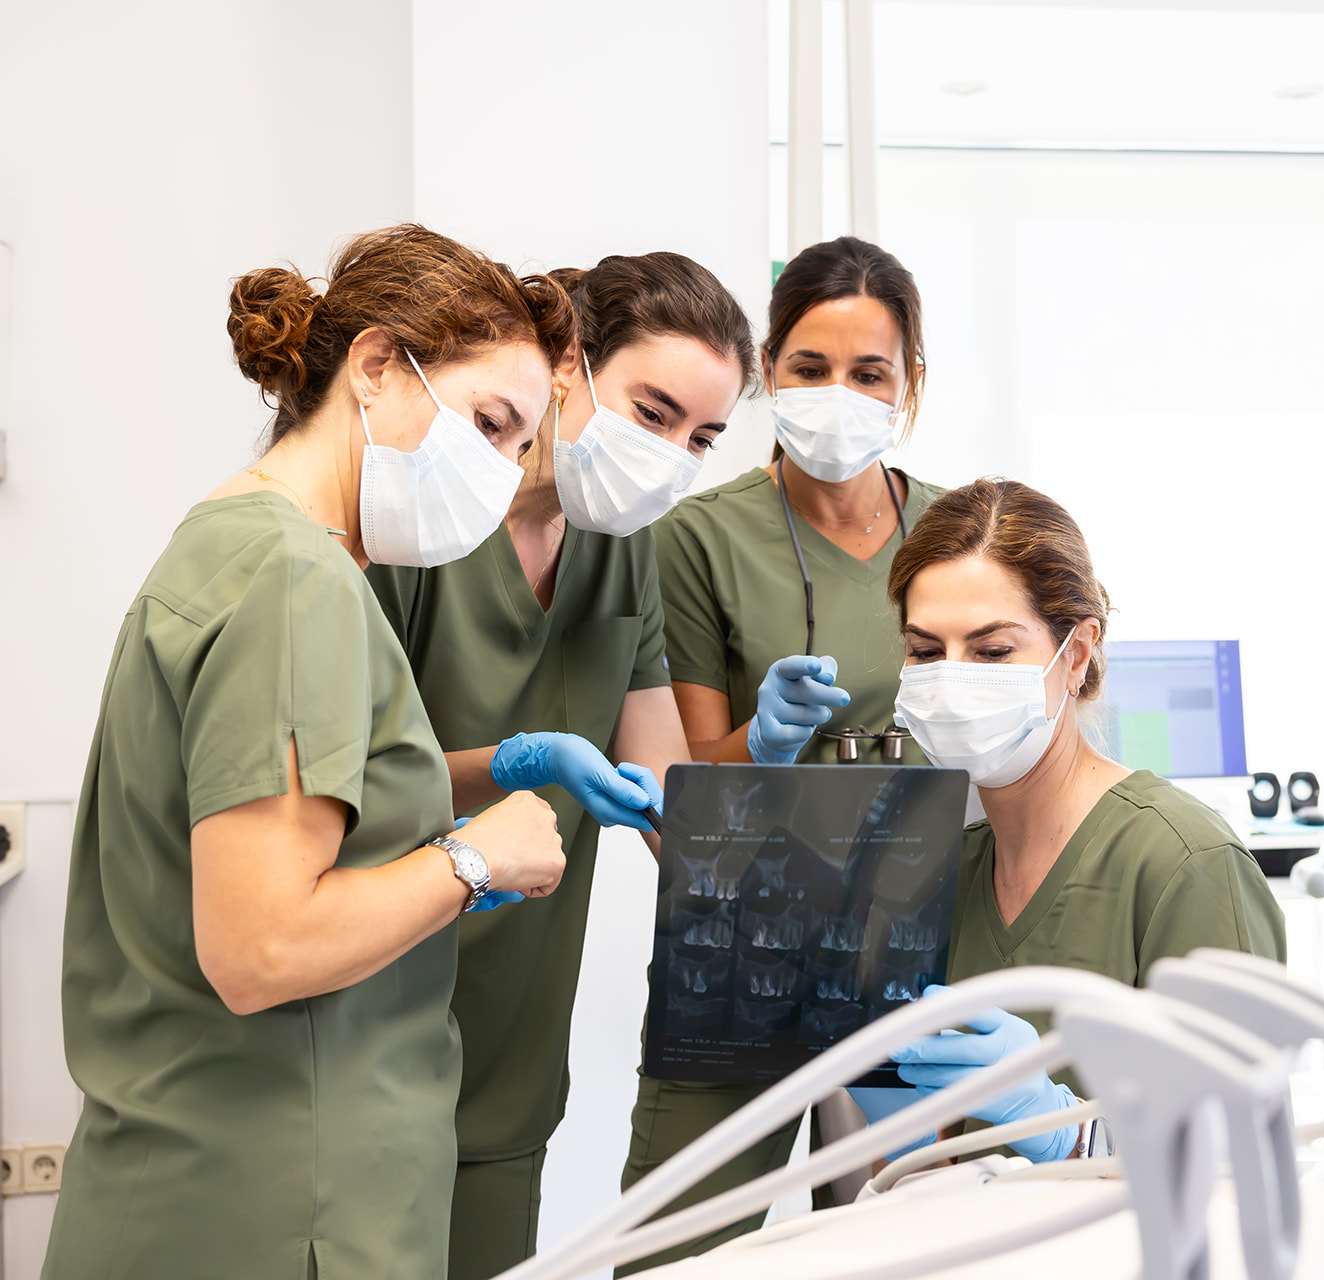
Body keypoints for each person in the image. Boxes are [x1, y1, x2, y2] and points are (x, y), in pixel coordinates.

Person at [43, 225, 573, 1280]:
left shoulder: (231, 541)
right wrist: (476, 859)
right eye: (489, 423)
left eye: (522, 448)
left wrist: (484, 780)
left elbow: (295, 814)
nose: (504, 473)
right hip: (285, 1207)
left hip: (202, 1177)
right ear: (375, 366)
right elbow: (263, 949)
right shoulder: (296, 581)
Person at [366, 251, 757, 1280]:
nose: (670, 457)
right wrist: (518, 762)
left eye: (701, 437)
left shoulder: (623, 547)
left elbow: (672, 802)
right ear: (570, 363)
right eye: (653, 411)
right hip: (368, 1020)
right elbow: (344, 778)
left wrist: (764, 777)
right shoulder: (420, 517)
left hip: (512, 1053)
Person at [617, 236, 944, 1271]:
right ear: (768, 370)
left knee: (919, 1241)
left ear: (910, 382)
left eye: (869, 372)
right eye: (809, 367)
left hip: (915, 938)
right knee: (680, 1249)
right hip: (744, 935)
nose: (838, 394)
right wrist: (764, 740)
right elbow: (680, 786)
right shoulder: (697, 538)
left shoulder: (958, 534)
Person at [884, 478, 1286, 1155]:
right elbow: (939, 1133)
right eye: (925, 652)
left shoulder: (1186, 863)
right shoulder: (948, 870)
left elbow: (1234, 1152)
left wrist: (1066, 1130)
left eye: (992, 652)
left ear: (1074, 655)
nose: (951, 683)